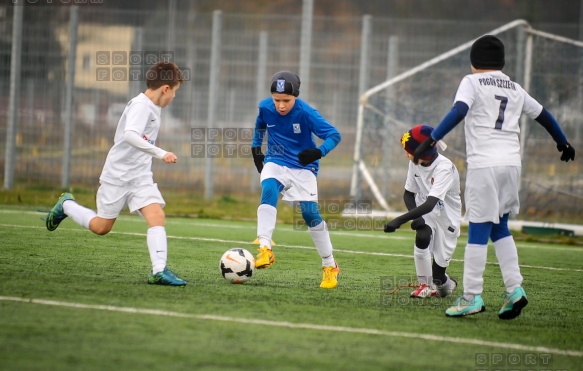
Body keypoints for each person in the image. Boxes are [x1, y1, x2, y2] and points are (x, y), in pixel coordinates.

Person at [413, 35, 576, 319]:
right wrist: (562, 142)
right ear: (501, 62)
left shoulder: (471, 81)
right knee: (500, 226)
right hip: (512, 165)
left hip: (484, 165)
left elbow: (459, 111)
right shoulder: (514, 86)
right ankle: (515, 289)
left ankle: (471, 296)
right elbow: (544, 115)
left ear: (474, 62)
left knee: (478, 228)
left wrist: (433, 139)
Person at [46, 61, 187, 286]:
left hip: (140, 177)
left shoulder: (154, 107)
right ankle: (66, 205)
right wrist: (161, 153)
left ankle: (158, 271)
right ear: (165, 89)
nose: (174, 98)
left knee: (156, 217)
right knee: (102, 227)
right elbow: (130, 135)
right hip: (118, 176)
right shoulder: (141, 106)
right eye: (176, 92)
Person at [251, 71, 342, 288]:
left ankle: (330, 265)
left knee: (310, 214)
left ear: (296, 98)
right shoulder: (265, 107)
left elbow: (334, 135)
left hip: (304, 166)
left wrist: (319, 152)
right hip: (276, 159)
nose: (281, 105)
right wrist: (256, 147)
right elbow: (260, 125)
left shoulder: (306, 113)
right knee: (269, 189)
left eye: (286, 101)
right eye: (277, 100)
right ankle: (265, 248)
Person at [383, 124, 461, 299]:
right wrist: (417, 219)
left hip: (446, 221)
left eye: (409, 151)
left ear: (422, 152)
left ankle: (447, 284)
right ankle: (423, 285)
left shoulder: (444, 168)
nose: (406, 154)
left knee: (440, 283)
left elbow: (431, 204)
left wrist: (399, 220)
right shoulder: (415, 163)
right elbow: (408, 194)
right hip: (425, 211)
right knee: (422, 236)